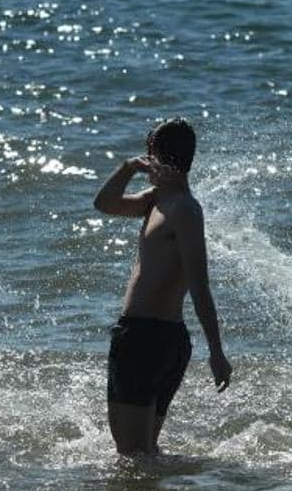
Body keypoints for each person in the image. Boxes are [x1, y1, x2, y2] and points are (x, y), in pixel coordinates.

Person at [93, 117, 233, 455]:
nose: (144, 158)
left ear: (159, 154)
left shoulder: (184, 209)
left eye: (147, 151)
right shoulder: (155, 200)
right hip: (156, 337)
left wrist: (216, 351)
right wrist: (127, 168)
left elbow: (200, 285)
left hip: (148, 337)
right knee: (144, 451)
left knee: (132, 453)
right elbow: (104, 203)